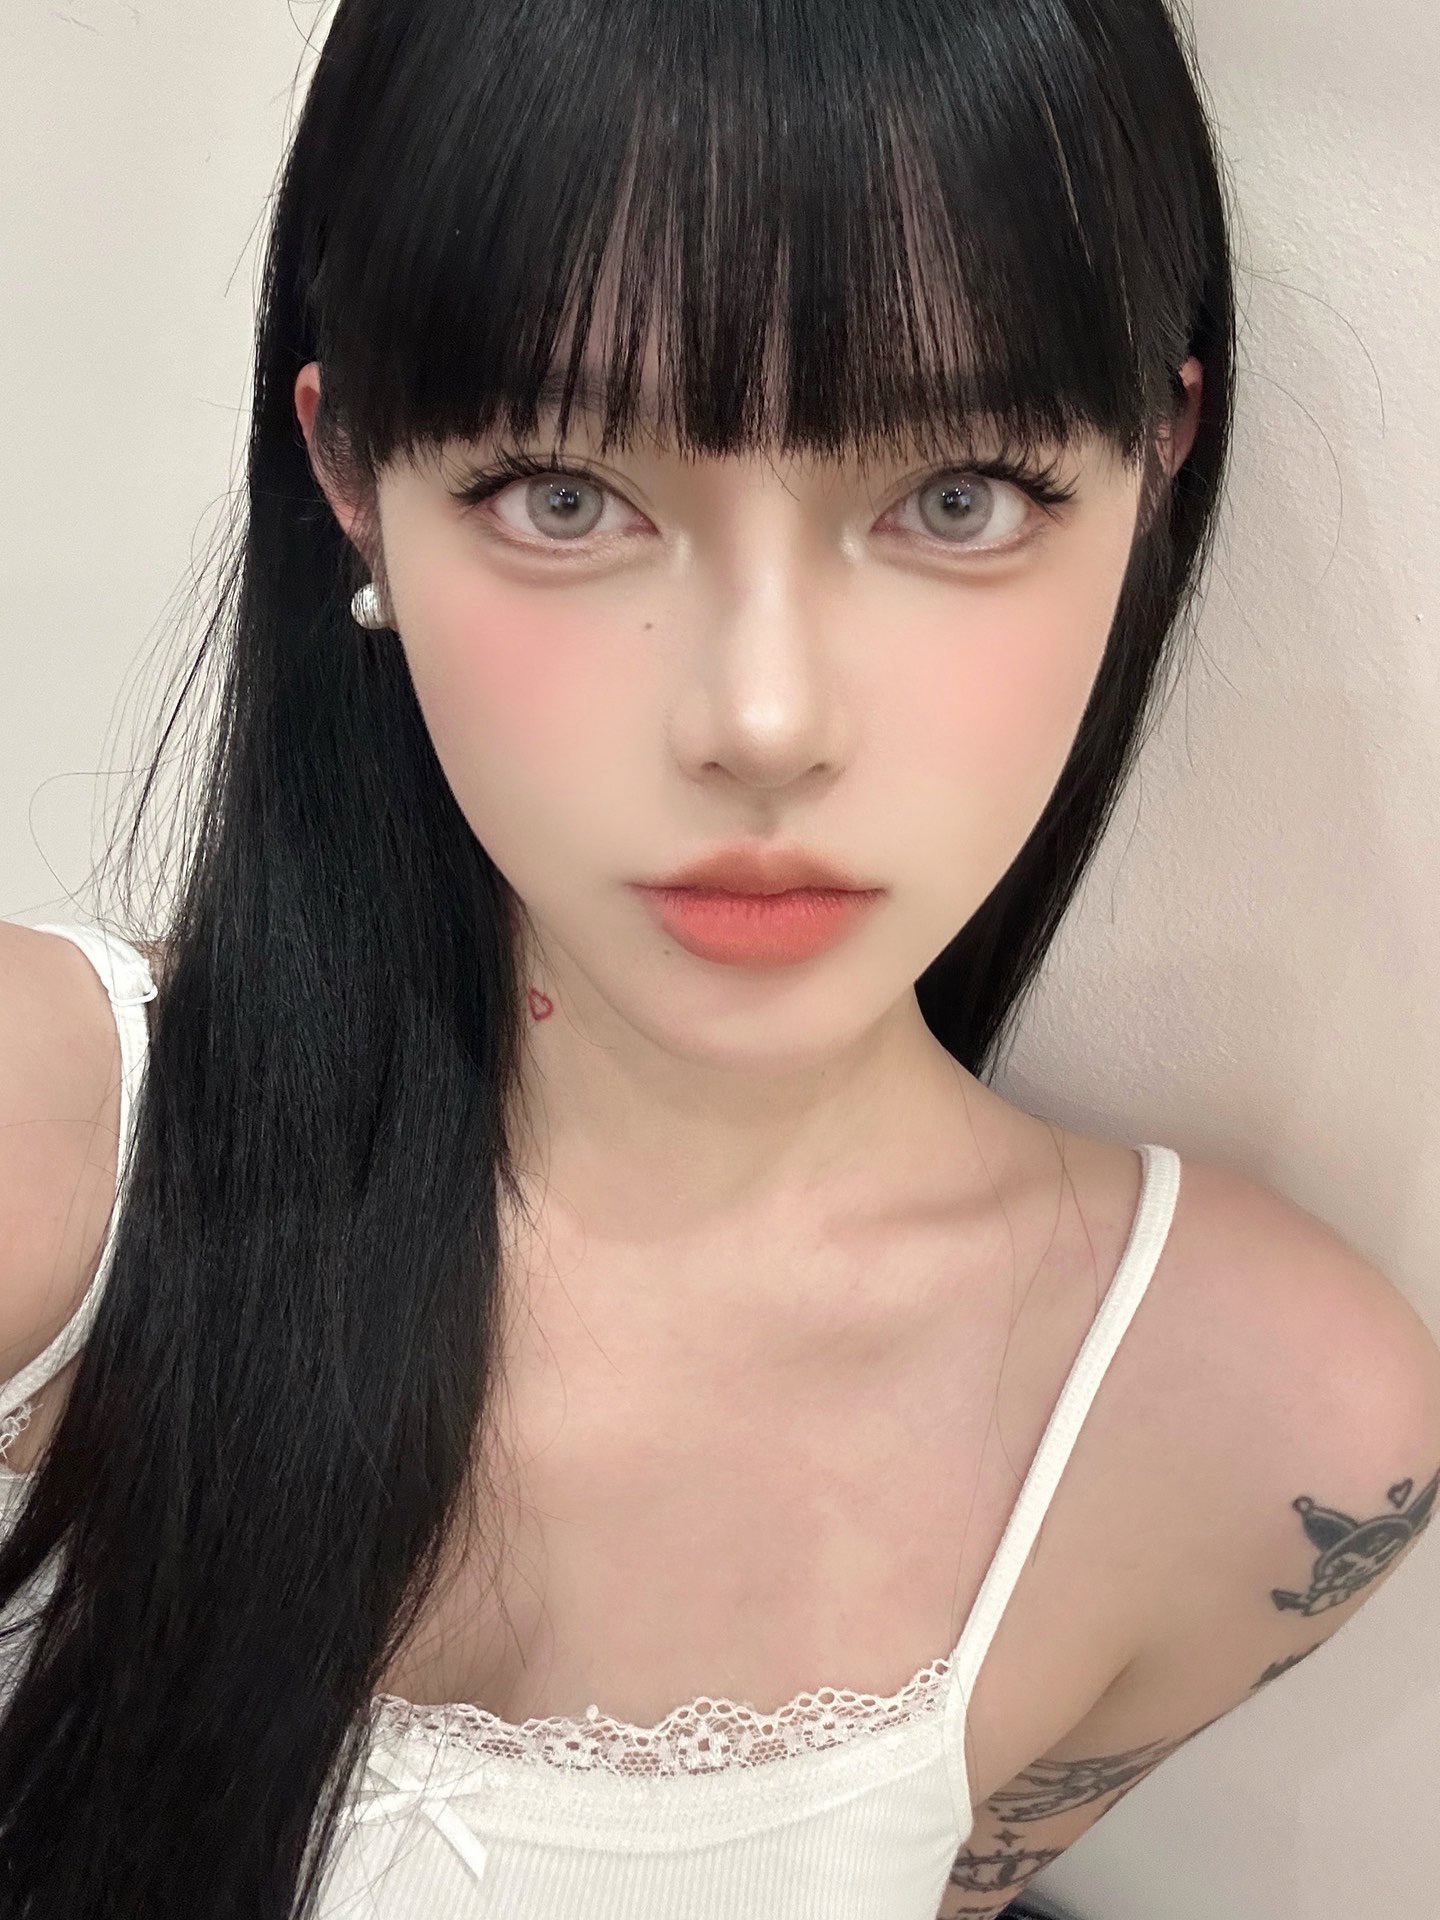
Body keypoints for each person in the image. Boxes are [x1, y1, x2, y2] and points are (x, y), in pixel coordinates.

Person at [1, 1, 1437, 1916]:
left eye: (958, 495)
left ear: (1156, 464)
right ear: (350, 479)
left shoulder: (1263, 1429)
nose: (763, 723)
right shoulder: (43, 1143)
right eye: (564, 495)